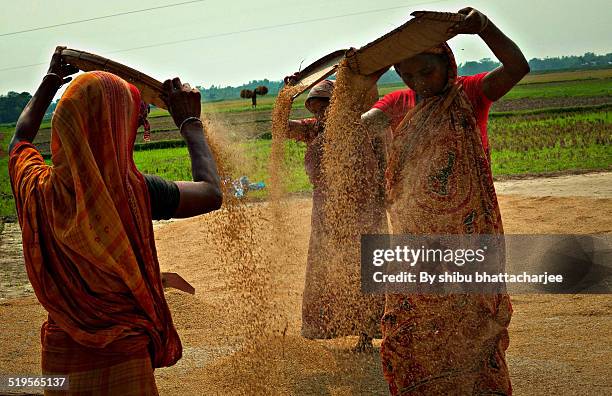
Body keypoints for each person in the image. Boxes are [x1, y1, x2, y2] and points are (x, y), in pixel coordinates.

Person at [8, 46, 222, 395]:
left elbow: (19, 140)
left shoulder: (36, 188)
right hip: (123, 362)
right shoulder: (134, 193)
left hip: (61, 362)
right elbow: (211, 192)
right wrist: (190, 124)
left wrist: (49, 82)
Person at [359, 7, 529, 395]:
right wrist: (361, 79)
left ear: (447, 64)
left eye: (425, 71)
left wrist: (486, 27)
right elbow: (366, 123)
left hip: (467, 232)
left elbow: (517, 67)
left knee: (471, 320)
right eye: (406, 74)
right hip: (414, 235)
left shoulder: (470, 93)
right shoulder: (400, 102)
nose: (418, 82)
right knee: (409, 325)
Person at [285, 79, 387, 351]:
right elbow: (283, 127)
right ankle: (336, 326)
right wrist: (287, 96)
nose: (321, 115)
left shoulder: (362, 127)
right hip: (327, 214)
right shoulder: (316, 129)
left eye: (326, 108)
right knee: (329, 268)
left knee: (363, 268)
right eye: (316, 109)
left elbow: (383, 166)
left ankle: (367, 333)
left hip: (362, 211)